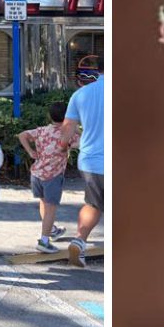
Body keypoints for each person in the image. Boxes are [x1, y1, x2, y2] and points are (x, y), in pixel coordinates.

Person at [61, 71, 105, 267]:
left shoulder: (81, 94)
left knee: (93, 205)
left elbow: (68, 127)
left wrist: (63, 147)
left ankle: (79, 242)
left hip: (90, 162)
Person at [18, 102, 71, 254]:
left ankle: (51, 230)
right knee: (51, 209)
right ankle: (44, 241)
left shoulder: (41, 130)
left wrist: (30, 151)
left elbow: (22, 135)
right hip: (52, 176)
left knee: (44, 203)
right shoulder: (67, 134)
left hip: (36, 174)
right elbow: (83, 142)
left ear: (50, 116)